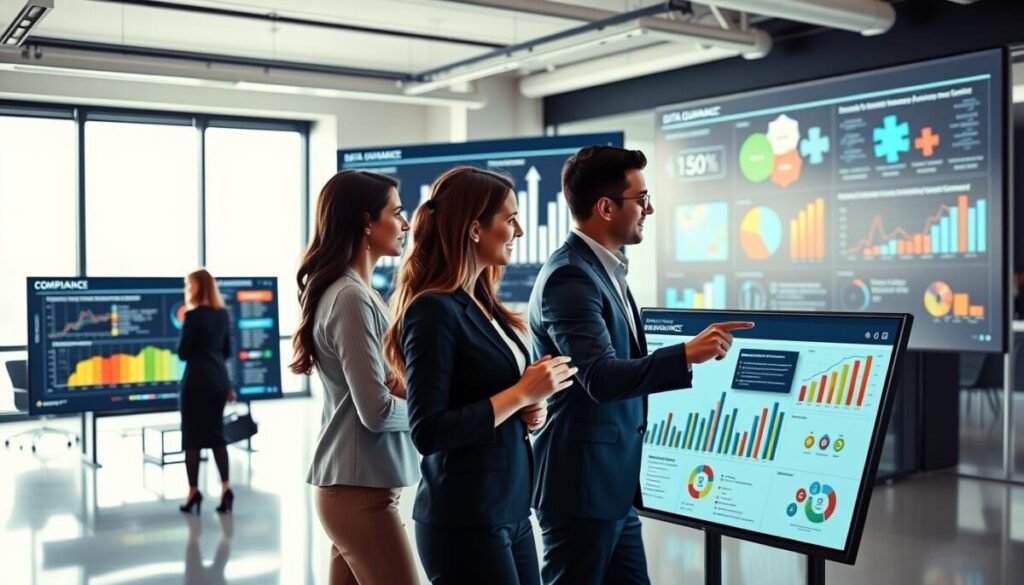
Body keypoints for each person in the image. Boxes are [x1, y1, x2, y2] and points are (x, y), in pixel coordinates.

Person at [528, 146, 753, 584]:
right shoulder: (569, 278)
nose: (650, 208)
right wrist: (687, 354)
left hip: (611, 490)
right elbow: (599, 377)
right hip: (581, 491)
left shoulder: (603, 270)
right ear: (606, 207)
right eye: (641, 199)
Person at [383, 166, 576, 585]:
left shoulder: (484, 302)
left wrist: (529, 406)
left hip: (509, 509)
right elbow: (428, 430)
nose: (519, 230)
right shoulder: (432, 309)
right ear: (475, 229)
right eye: (510, 219)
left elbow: (491, 396)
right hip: (465, 518)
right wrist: (521, 394)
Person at [292, 170, 419, 585]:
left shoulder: (360, 293)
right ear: (367, 223)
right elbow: (378, 413)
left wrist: (402, 387)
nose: (405, 224)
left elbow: (386, 388)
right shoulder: (350, 298)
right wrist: (427, 408)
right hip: (358, 494)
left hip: (356, 489)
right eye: (396, 212)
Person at [177, 268, 235, 515]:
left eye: (189, 285)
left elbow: (183, 352)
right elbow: (227, 351)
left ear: (196, 287)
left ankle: (193, 492)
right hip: (218, 381)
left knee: (192, 439)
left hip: (195, 384)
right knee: (216, 436)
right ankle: (225, 489)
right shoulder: (222, 315)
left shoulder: (193, 316)